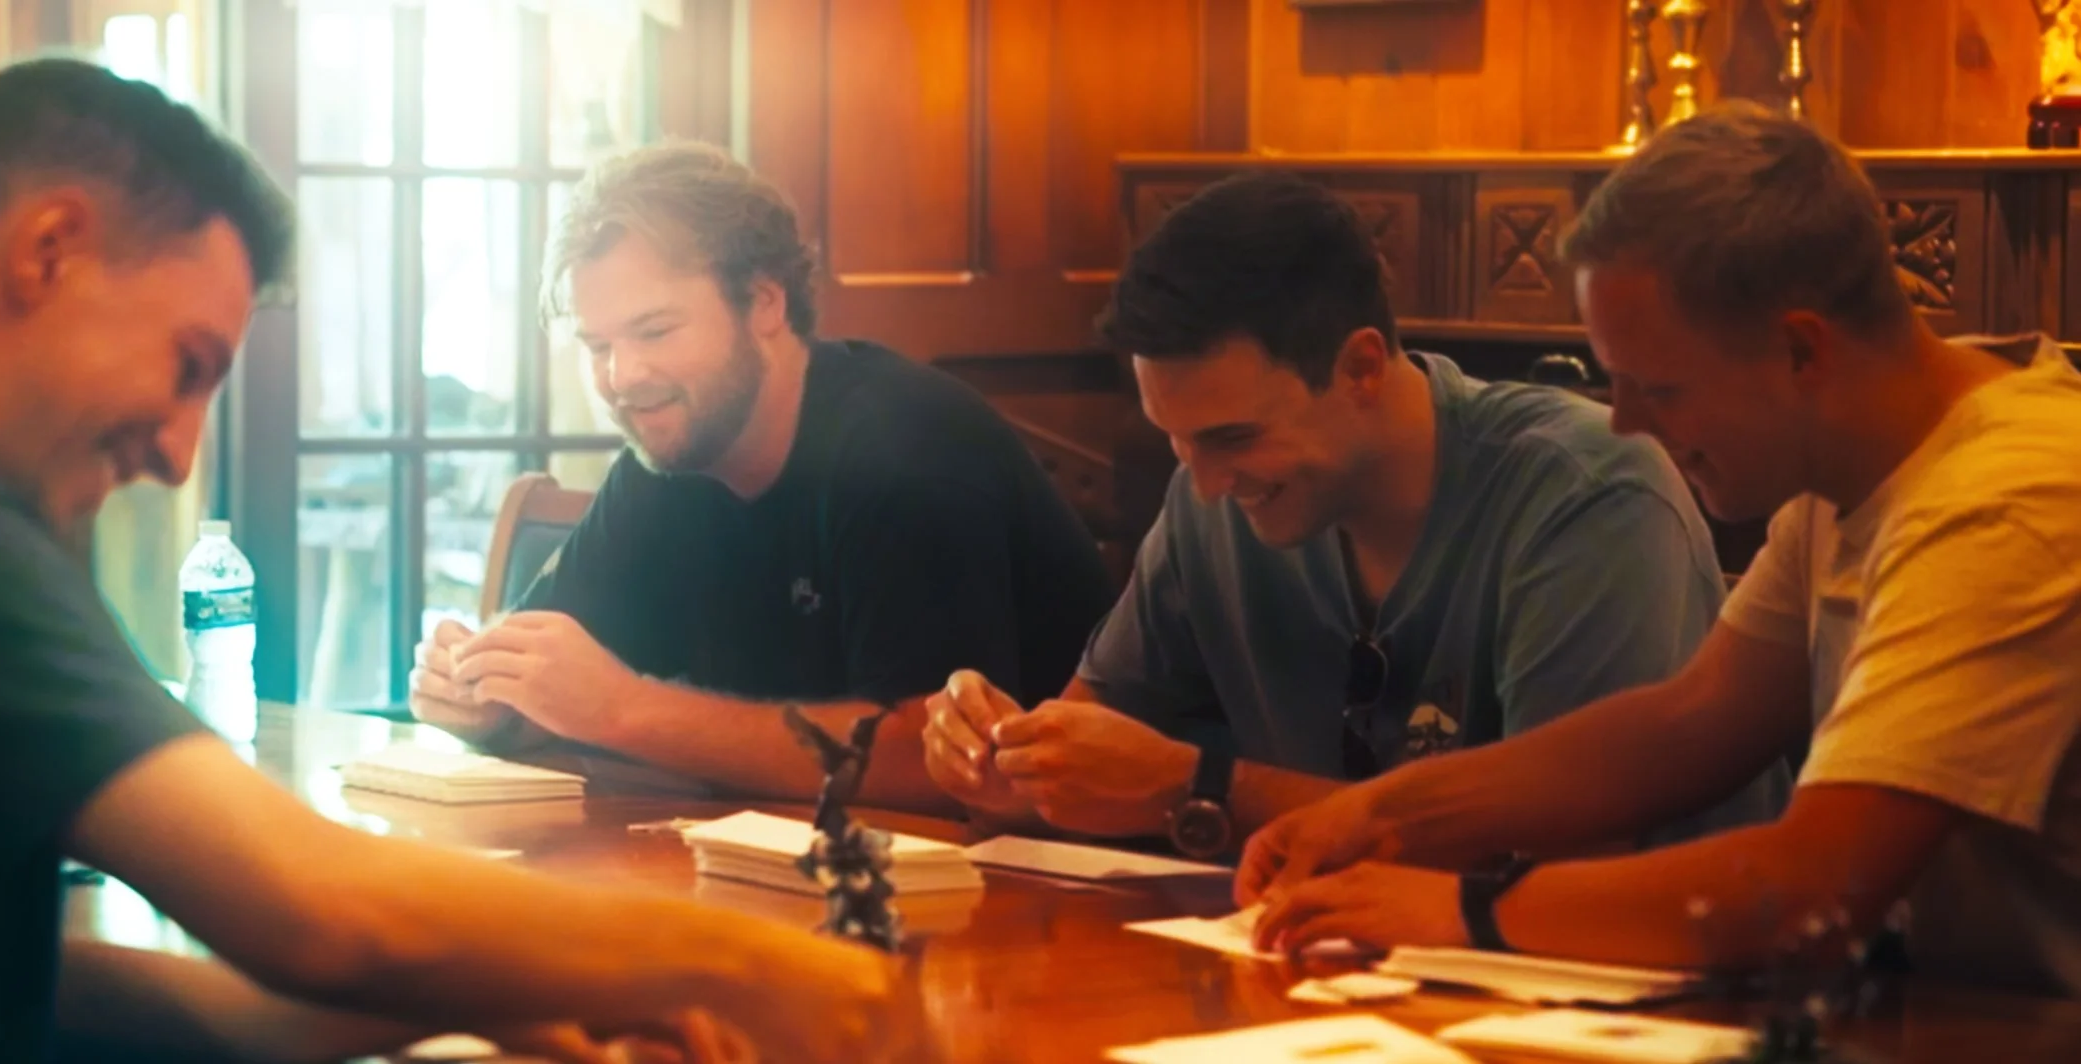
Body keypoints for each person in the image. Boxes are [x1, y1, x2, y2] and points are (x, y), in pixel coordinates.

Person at [0, 60, 903, 1064]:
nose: (175, 448)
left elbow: (19, 986)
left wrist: (517, 983)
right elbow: (319, 910)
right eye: (189, 367)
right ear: (46, 252)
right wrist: (734, 962)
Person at [1234, 103, 2081, 1000]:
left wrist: (1466, 913)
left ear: (1801, 349)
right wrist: (1379, 814)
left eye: (1659, 387)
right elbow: (1689, 722)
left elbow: (1810, 888)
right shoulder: (1870, 459)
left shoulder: (2003, 499)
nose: (1628, 422)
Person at [922, 171, 1789, 860]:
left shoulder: (1587, 492)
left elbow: (1563, 858)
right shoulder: (1208, 497)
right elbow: (1078, 761)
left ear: (1362, 367)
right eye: (1178, 442)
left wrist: (1202, 790)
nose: (1209, 484)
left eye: (1232, 436)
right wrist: (1007, 766)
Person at [413, 141, 1117, 812]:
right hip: (773, 871)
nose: (622, 378)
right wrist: (486, 698)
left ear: (765, 303)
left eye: (655, 332)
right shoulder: (662, 462)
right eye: (597, 346)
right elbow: (559, 703)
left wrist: (624, 709)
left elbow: (932, 764)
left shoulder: (904, 449)